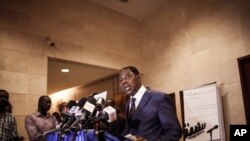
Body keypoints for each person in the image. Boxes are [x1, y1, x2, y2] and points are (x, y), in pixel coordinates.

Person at [118, 66, 182, 141]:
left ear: (138, 77)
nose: (123, 81)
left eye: (128, 76)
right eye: (121, 79)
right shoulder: (128, 103)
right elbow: (129, 130)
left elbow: (175, 132)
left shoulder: (159, 98)